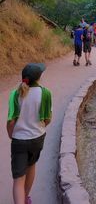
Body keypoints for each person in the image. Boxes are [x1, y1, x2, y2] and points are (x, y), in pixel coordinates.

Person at [7, 63, 52, 204]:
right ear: (39, 78)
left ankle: (22, 199)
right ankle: (26, 198)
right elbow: (47, 119)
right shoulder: (45, 93)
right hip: (37, 139)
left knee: (18, 180)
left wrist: (11, 135)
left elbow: (11, 121)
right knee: (31, 165)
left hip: (19, 141)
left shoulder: (15, 94)